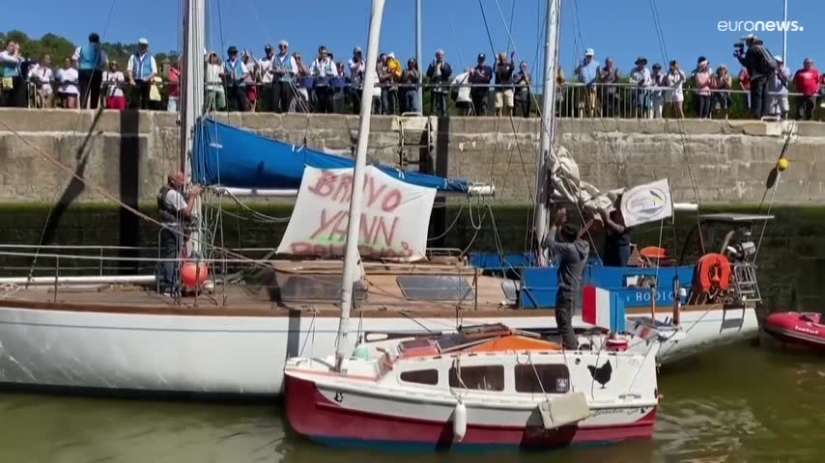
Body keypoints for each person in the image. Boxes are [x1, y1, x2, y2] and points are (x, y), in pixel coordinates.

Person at [542, 206, 589, 350]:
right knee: (566, 322)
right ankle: (570, 345)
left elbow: (549, 243)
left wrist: (555, 224)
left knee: (564, 324)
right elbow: (571, 238)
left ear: (565, 239)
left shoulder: (570, 250)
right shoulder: (583, 247)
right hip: (574, 291)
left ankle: (572, 349)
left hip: (566, 292)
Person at [156, 172, 201, 297]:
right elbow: (186, 212)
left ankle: (169, 283)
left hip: (166, 227)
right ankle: (169, 287)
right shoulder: (173, 194)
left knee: (169, 255)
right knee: (173, 256)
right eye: (180, 179)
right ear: (172, 180)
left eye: (183, 179)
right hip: (173, 229)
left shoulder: (164, 191)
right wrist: (192, 196)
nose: (183, 182)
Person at [735, 35, 777, 119]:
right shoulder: (762, 48)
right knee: (764, 96)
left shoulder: (752, 49)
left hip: (757, 76)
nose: (746, 43)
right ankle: (764, 115)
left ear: (751, 41)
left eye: (747, 41)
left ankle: (756, 116)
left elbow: (747, 63)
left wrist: (739, 57)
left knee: (757, 96)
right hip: (766, 76)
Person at [599, 196, 631, 267]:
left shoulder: (628, 213)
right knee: (607, 267)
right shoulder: (612, 211)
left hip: (621, 246)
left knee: (620, 270)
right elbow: (605, 226)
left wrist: (608, 220)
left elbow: (621, 229)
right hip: (609, 245)